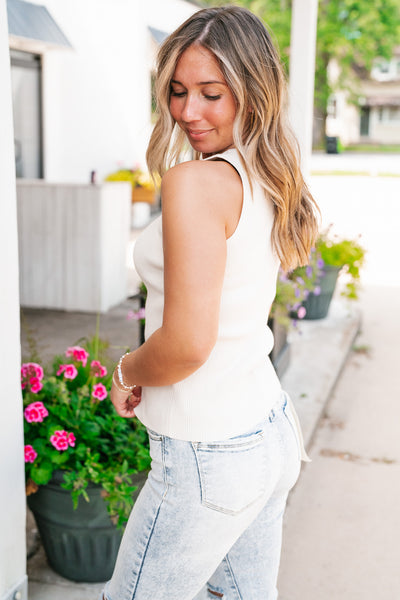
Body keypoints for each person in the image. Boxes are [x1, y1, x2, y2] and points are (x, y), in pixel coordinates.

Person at [103, 5, 319, 599]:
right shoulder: (268, 172)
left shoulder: (195, 184)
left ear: (252, 93)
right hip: (267, 432)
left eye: (210, 93)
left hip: (209, 451)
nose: (188, 112)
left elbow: (189, 343)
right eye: (176, 91)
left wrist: (125, 370)